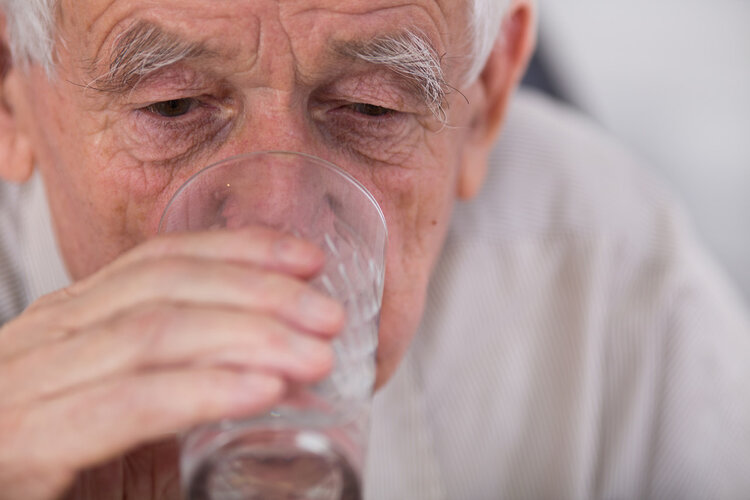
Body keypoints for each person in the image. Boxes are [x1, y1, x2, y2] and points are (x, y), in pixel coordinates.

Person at [0, 0, 748, 498]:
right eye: (172, 106)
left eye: (370, 107)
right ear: (10, 85)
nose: (279, 233)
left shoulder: (613, 280)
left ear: (486, 95)